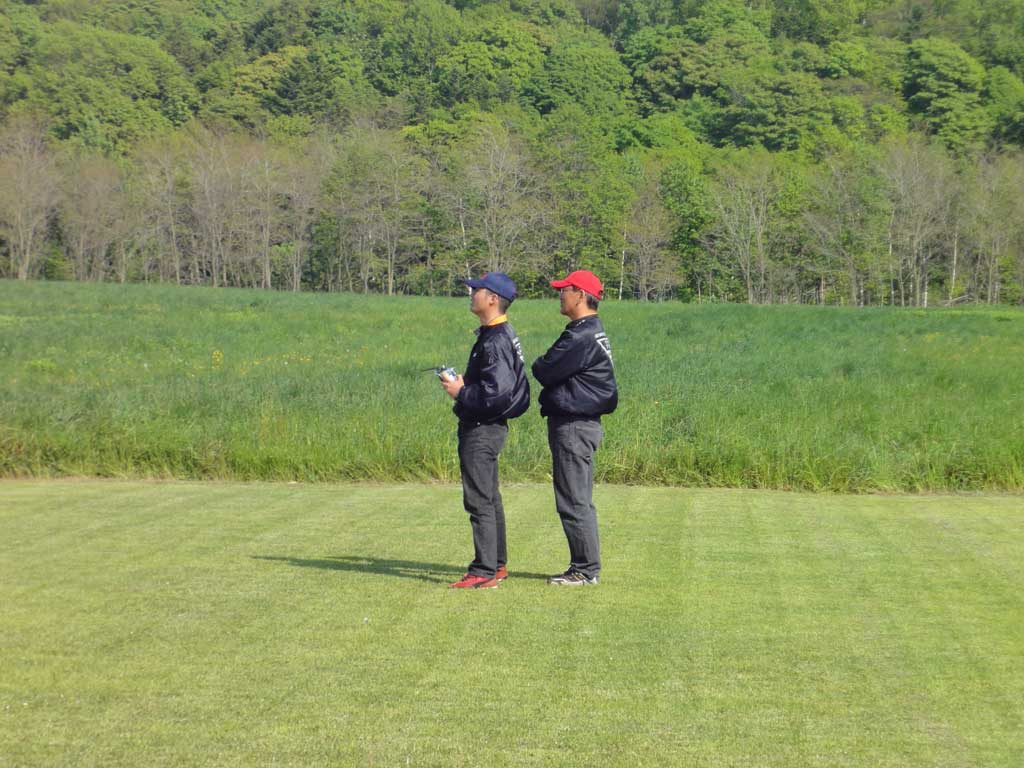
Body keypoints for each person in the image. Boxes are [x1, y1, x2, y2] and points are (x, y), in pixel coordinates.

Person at [441, 272, 530, 589]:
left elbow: (496, 394)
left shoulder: (494, 340)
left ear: (493, 299)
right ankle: (497, 565)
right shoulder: (497, 334)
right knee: (490, 497)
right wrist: (467, 384)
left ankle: (484, 570)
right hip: (490, 427)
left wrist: (460, 392)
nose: (471, 294)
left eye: (476, 290)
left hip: (482, 428)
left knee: (479, 499)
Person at [532, 270, 617, 586]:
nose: (560, 295)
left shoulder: (580, 335)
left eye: (564, 289)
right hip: (582, 424)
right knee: (576, 497)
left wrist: (543, 366)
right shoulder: (591, 330)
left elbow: (543, 369)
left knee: (573, 499)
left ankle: (585, 569)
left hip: (574, 425)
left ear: (580, 294)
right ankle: (585, 567)